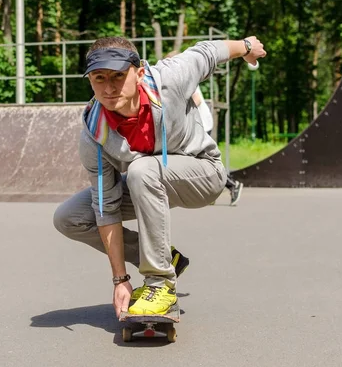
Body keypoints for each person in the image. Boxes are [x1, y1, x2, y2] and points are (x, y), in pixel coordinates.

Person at [53, 35, 267, 318]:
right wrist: (120, 279)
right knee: (69, 217)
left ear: (139, 73)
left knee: (142, 170)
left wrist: (248, 47)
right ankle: (167, 260)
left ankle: (160, 283)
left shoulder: (170, 78)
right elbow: (106, 208)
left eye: (118, 76)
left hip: (203, 174)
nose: (109, 87)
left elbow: (208, 51)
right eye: (99, 78)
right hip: (148, 182)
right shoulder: (95, 134)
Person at [191, 86, 244, 206]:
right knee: (201, 160)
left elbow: (197, 99)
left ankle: (232, 185)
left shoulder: (184, 73)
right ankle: (212, 192)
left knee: (204, 161)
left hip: (202, 124)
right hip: (198, 125)